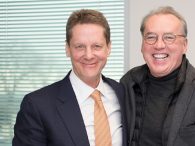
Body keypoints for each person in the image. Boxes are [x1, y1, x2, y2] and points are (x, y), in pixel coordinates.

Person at [120, 6, 195, 146]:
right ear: (142, 44)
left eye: (169, 37)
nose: (159, 45)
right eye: (151, 37)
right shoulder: (128, 83)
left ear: (185, 45)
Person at [13, 9, 126, 146]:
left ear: (108, 48)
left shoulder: (124, 94)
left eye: (97, 46)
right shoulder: (37, 105)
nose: (89, 55)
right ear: (67, 48)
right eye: (80, 46)